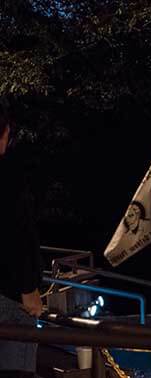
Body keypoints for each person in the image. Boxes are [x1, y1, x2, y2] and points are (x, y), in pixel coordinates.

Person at [0, 109, 43, 375]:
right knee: (22, 334)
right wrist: (29, 290)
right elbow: (16, 233)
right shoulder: (8, 178)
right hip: (7, 294)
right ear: (4, 134)